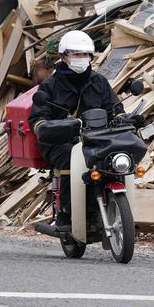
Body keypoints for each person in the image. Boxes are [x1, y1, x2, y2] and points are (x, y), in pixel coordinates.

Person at [28, 30, 124, 231]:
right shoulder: (50, 85)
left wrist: (126, 119)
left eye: (86, 55)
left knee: (118, 159)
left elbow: (114, 108)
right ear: (63, 56)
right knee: (70, 159)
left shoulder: (99, 82)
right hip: (60, 142)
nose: (82, 59)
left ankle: (116, 207)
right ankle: (66, 213)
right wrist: (51, 127)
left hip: (95, 139)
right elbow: (37, 120)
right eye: (76, 55)